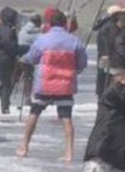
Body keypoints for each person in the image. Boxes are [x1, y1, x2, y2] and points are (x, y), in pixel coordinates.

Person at [18, 10, 88, 161]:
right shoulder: (74, 41)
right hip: (65, 85)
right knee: (66, 118)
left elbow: (32, 58)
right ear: (64, 23)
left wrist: (23, 60)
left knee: (34, 114)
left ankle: (24, 146)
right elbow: (82, 63)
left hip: (45, 84)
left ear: (49, 24)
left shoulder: (42, 40)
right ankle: (69, 152)